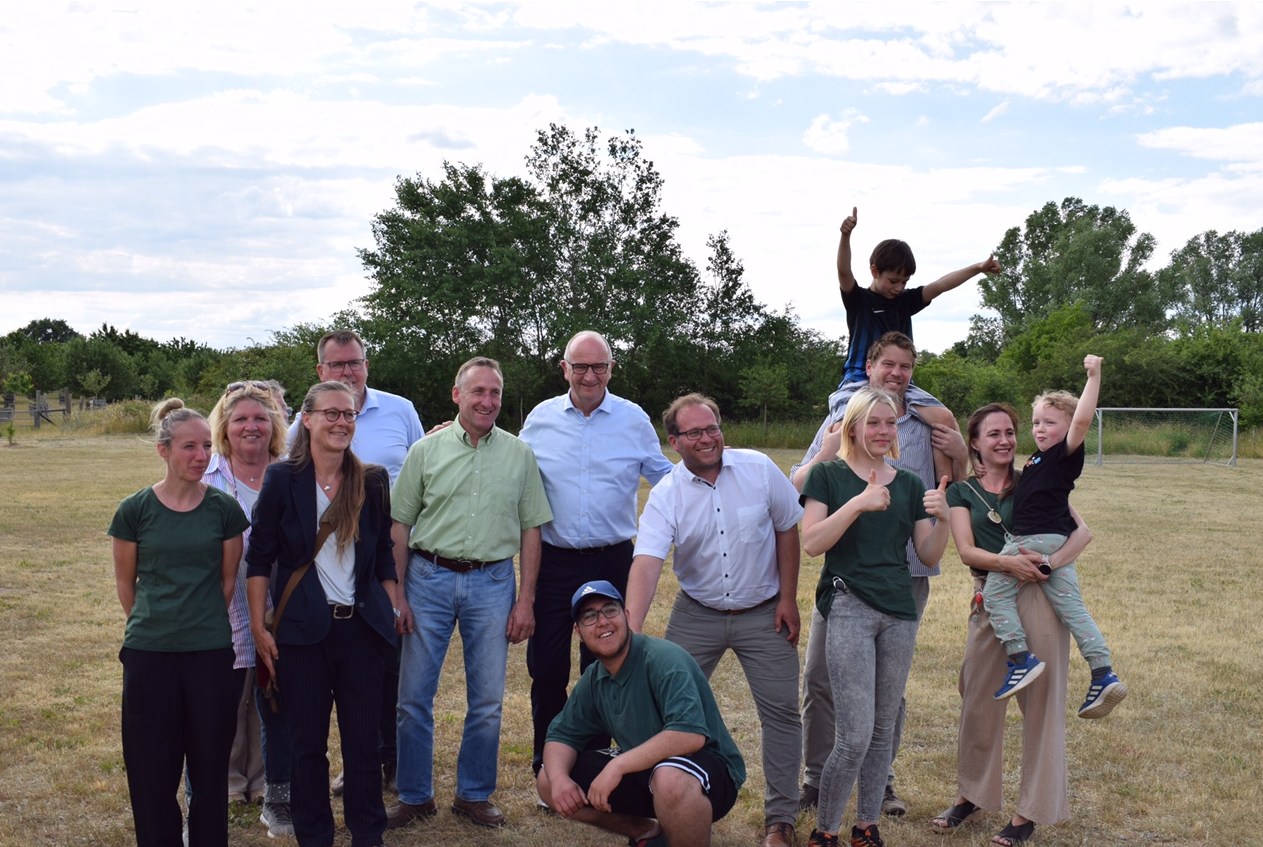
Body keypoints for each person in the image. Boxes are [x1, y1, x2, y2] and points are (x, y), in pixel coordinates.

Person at [791, 332, 967, 815]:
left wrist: (958, 454)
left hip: (906, 569)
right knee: (822, 679)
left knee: (888, 688)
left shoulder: (930, 423)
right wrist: (833, 450)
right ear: (868, 367)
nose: (896, 373)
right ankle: (816, 778)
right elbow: (802, 480)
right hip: (847, 577)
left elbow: (953, 486)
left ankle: (881, 780)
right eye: (887, 364)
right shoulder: (842, 416)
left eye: (905, 366)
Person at [624, 393, 803, 847]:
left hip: (764, 612)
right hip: (697, 613)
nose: (707, 438)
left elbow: (787, 527)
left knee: (782, 713)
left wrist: (788, 598)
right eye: (694, 432)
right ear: (674, 442)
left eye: (712, 428)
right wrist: (631, 630)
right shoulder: (666, 494)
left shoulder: (760, 469)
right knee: (666, 714)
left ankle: (780, 820)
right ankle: (665, 813)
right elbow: (646, 562)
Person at [387, 356, 553, 830]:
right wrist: (397, 593)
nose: (487, 401)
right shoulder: (426, 450)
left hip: (493, 583)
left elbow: (531, 530)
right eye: (477, 391)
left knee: (488, 700)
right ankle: (415, 795)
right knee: (413, 696)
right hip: (428, 578)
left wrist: (526, 601)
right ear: (457, 395)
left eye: (495, 393)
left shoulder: (519, 454)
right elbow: (400, 525)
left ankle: (474, 794)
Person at [246, 381, 400, 847]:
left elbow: (384, 558)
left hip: (362, 633)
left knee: (362, 746)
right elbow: (260, 559)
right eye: (331, 413)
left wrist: (390, 609)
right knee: (306, 746)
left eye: (349, 414)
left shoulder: (371, 480)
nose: (341, 422)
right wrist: (258, 627)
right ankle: (315, 837)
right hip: (301, 635)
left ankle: (367, 836)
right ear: (307, 420)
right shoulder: (281, 479)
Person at [932, 403, 1092, 847]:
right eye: (993, 434)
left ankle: (1029, 813)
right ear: (976, 444)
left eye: (1010, 432)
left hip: (1042, 596)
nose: (1004, 440)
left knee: (1041, 704)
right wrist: (1008, 564)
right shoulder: (962, 492)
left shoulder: (1038, 478)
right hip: (992, 598)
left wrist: (1047, 562)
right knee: (978, 700)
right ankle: (973, 795)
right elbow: (965, 550)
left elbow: (1082, 533)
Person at [518, 330, 673, 778]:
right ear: (564, 368)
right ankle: (548, 761)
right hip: (553, 559)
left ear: (611, 368)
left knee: (606, 663)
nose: (590, 375)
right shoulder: (541, 419)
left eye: (599, 366)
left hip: (612, 561)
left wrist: (715, 476)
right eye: (580, 366)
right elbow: (509, 466)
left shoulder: (633, 418)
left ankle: (593, 760)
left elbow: (664, 477)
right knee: (546, 669)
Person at [108, 399, 250, 847]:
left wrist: (197, 623)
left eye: (207, 446)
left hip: (209, 653)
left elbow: (227, 583)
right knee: (151, 768)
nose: (201, 456)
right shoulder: (134, 510)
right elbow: (126, 584)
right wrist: (157, 627)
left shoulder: (224, 510)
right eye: (189, 446)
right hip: (149, 655)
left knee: (209, 768)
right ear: (163, 451)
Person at [290, 328, 424, 796]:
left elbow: (423, 468)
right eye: (337, 364)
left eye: (355, 363)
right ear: (321, 370)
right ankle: (356, 764)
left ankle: (385, 760)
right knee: (336, 678)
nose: (348, 371)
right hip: (328, 568)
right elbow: (290, 475)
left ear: (367, 365)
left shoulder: (401, 410)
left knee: (386, 668)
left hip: (387, 556)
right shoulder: (306, 417)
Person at [538, 580, 746, 847]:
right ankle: (647, 834)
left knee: (669, 777)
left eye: (610, 610)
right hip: (649, 770)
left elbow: (690, 735)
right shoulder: (595, 677)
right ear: (578, 631)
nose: (602, 622)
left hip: (710, 774)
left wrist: (618, 766)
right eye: (590, 616)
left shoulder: (664, 659)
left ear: (626, 616)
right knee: (548, 779)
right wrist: (558, 780)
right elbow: (561, 736)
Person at [982, 355, 1126, 717]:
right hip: (1054, 543)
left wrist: (1094, 376)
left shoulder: (1065, 455)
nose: (1040, 429)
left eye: (1050, 422)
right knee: (1072, 609)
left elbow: (1083, 418)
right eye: (1036, 422)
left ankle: (1019, 658)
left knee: (995, 594)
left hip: (1031, 539)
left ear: (1068, 429)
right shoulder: (1037, 461)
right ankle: (1103, 672)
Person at [202, 381, 293, 836]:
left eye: (260, 418)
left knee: (272, 697)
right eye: (240, 420)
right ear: (225, 427)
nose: (251, 427)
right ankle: (228, 780)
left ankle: (263, 782)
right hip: (226, 598)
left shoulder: (290, 471)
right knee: (228, 695)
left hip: (283, 600)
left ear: (274, 425)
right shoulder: (209, 476)